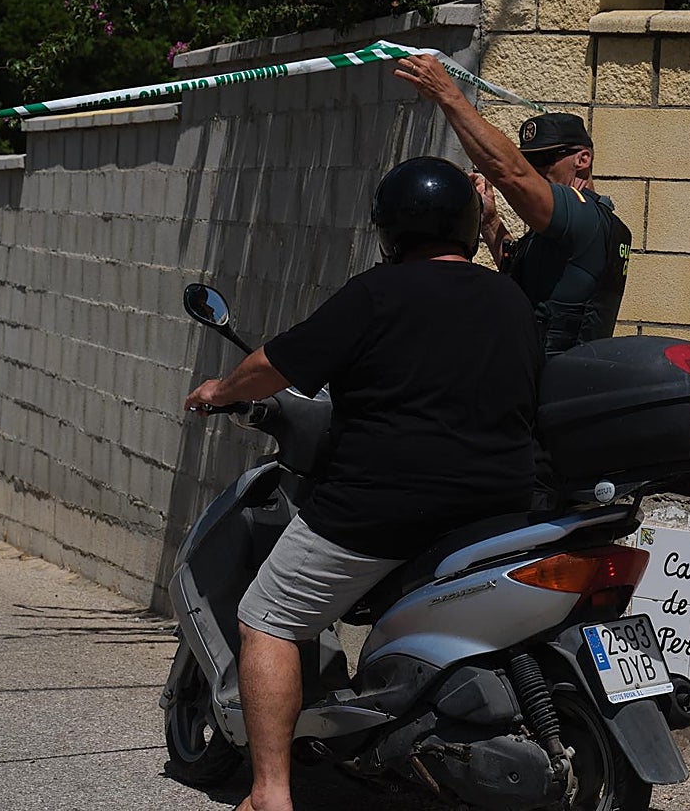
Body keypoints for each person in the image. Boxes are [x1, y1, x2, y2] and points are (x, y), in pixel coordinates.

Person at [183, 156, 541, 811]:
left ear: (391, 231)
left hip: (382, 509)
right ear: (468, 225)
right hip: (498, 507)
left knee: (267, 616)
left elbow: (274, 364)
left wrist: (219, 390)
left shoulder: (377, 293)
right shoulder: (510, 299)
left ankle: (269, 793)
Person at [394, 54, 633, 358]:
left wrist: (448, 93)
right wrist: (490, 221)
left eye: (545, 160)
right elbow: (523, 270)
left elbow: (511, 174)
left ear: (582, 159)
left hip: (554, 387)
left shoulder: (586, 215)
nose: (535, 171)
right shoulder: (569, 227)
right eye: (529, 161)